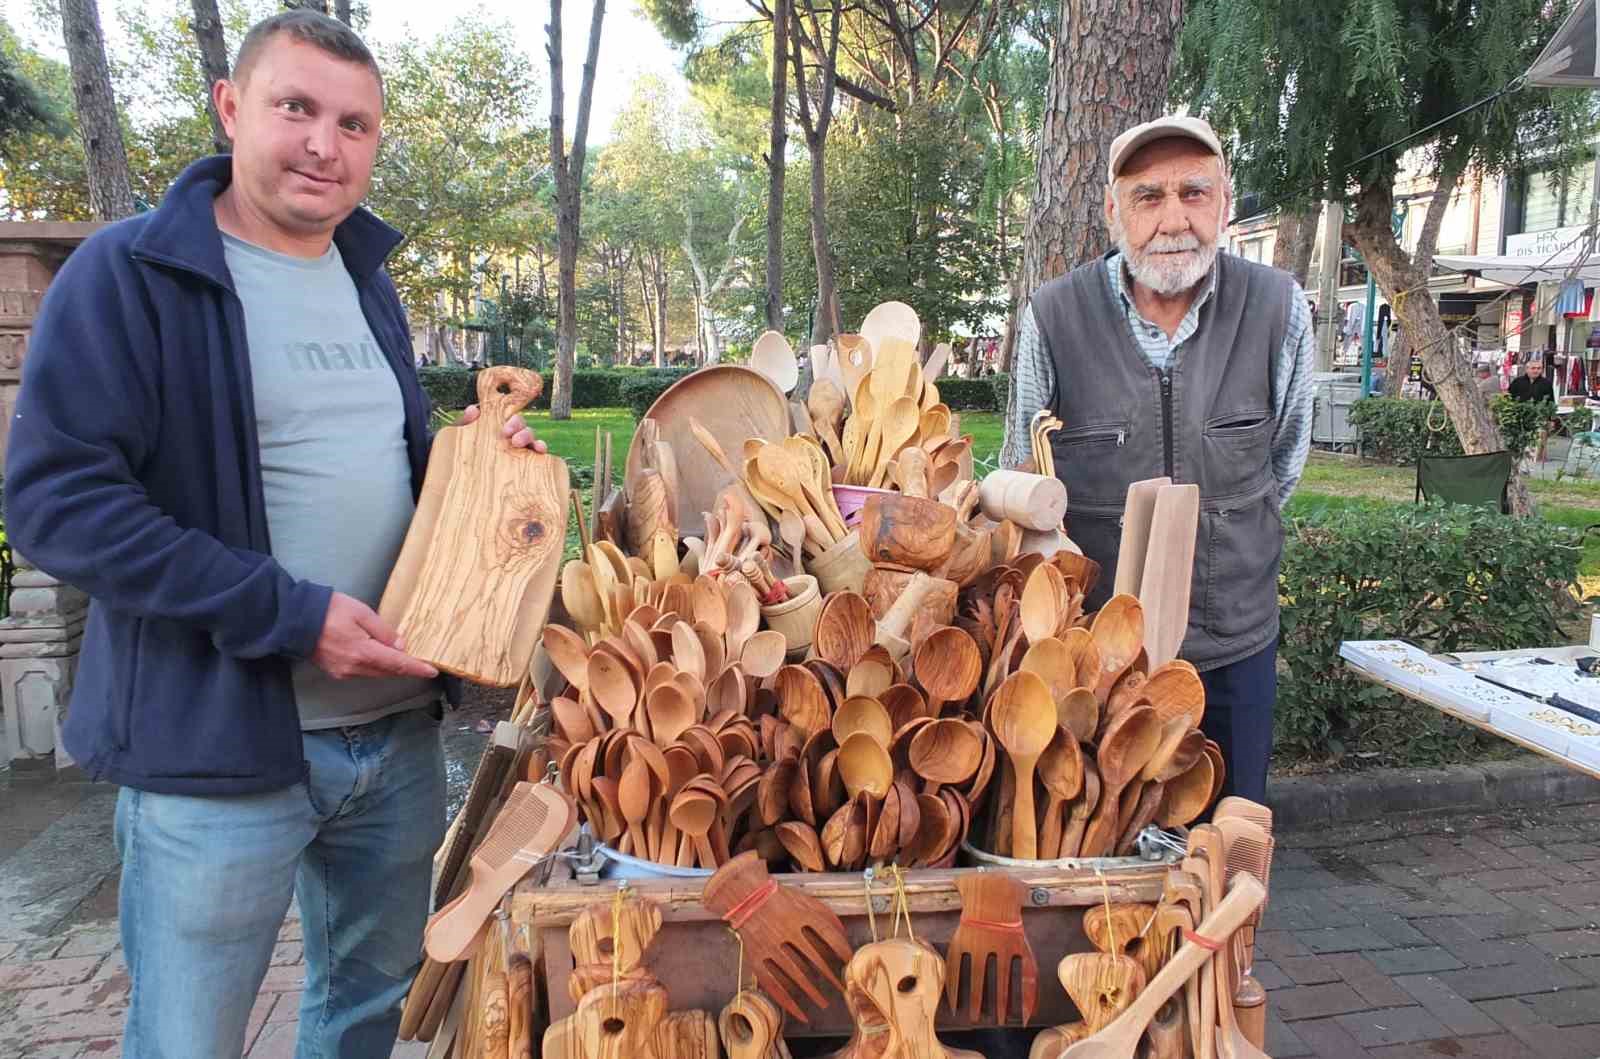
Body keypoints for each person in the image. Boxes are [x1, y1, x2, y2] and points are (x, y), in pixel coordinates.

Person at [4, 12, 545, 1056]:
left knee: (364, 1017)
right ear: (229, 107)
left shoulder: (364, 277)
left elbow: (366, 464)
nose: (323, 145)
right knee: (189, 1038)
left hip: (392, 736)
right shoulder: (128, 275)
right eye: (296, 108)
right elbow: (58, 501)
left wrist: (474, 466)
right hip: (217, 753)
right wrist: (290, 617)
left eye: (354, 124)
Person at [1003, 115, 1315, 805]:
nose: (1174, 219)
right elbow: (1023, 476)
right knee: (1096, 851)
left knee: (1228, 841)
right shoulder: (1054, 317)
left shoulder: (1278, 309)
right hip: (1093, 659)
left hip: (1233, 651)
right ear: (1113, 212)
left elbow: (1284, 464)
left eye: (1194, 192)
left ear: (1225, 204)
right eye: (1148, 196)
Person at [1510, 355, 1557, 462]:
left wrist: (1551, 419)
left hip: (1539, 416)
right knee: (1520, 439)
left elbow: (1551, 401)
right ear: (1527, 369)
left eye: (1539, 368)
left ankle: (1538, 458)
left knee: (1539, 439)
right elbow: (1509, 397)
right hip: (1520, 415)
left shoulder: (1546, 383)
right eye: (1533, 368)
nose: (1536, 371)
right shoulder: (1518, 382)